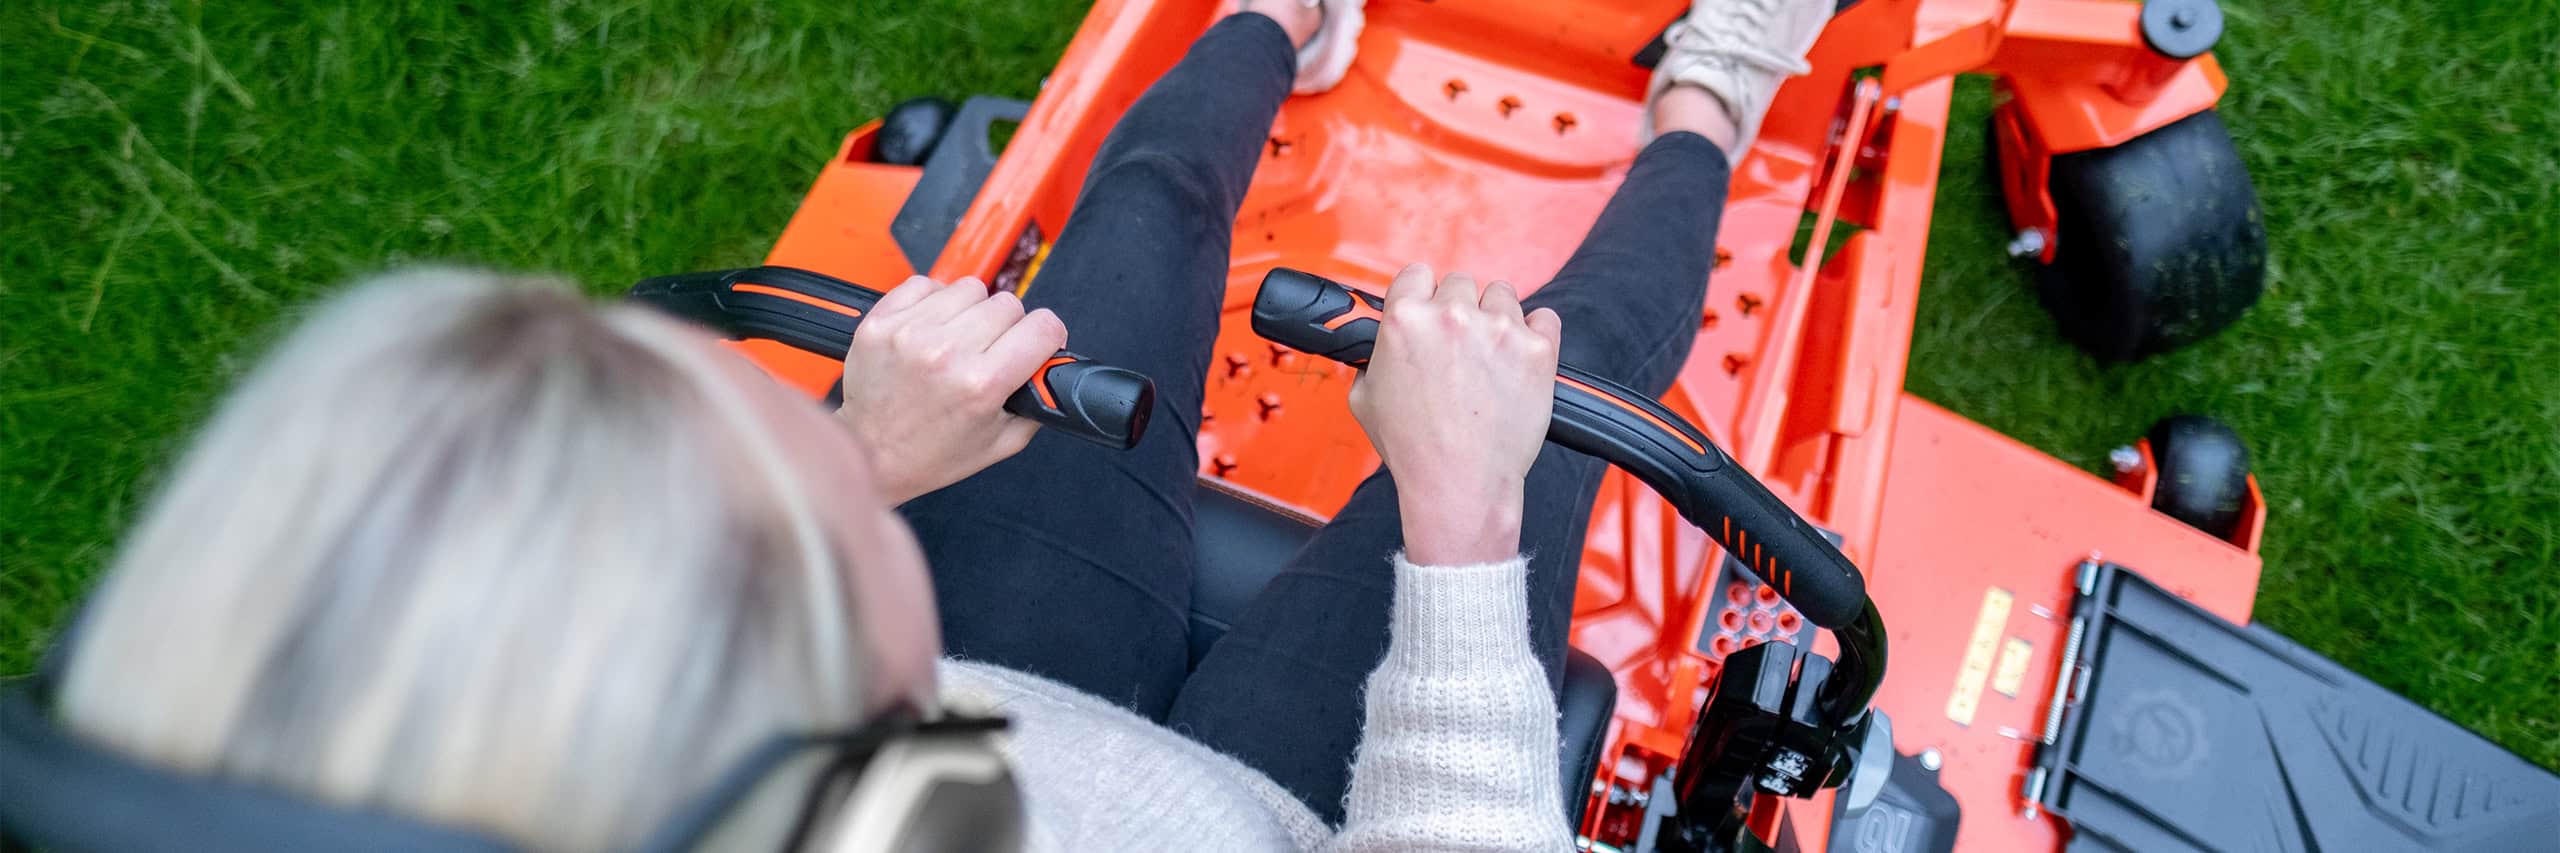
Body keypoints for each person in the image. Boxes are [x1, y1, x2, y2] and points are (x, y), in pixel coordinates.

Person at [17, 0, 1837, 848]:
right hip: (1300, 808)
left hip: (1015, 672)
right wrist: (1458, 517)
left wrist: (859, 461)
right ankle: (1711, 91)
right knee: (1565, 375)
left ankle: (1276, 21)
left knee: (1129, 234)